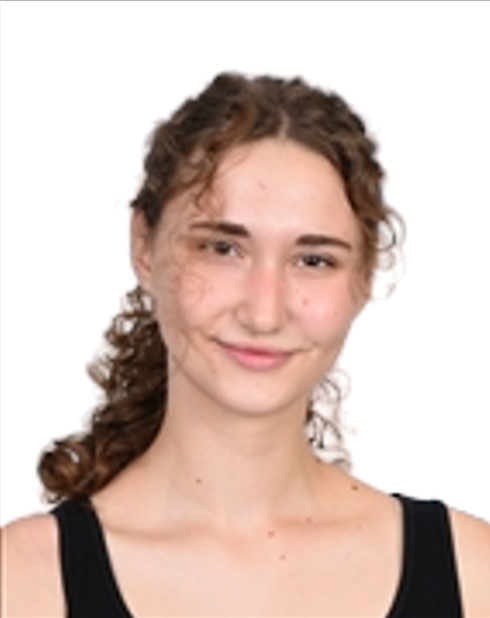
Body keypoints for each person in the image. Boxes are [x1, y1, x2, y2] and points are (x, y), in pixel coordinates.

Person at [2, 72, 489, 618]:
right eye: (222, 248)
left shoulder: (474, 576)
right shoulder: (22, 582)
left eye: (314, 260)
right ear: (143, 246)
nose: (264, 312)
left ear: (364, 274)